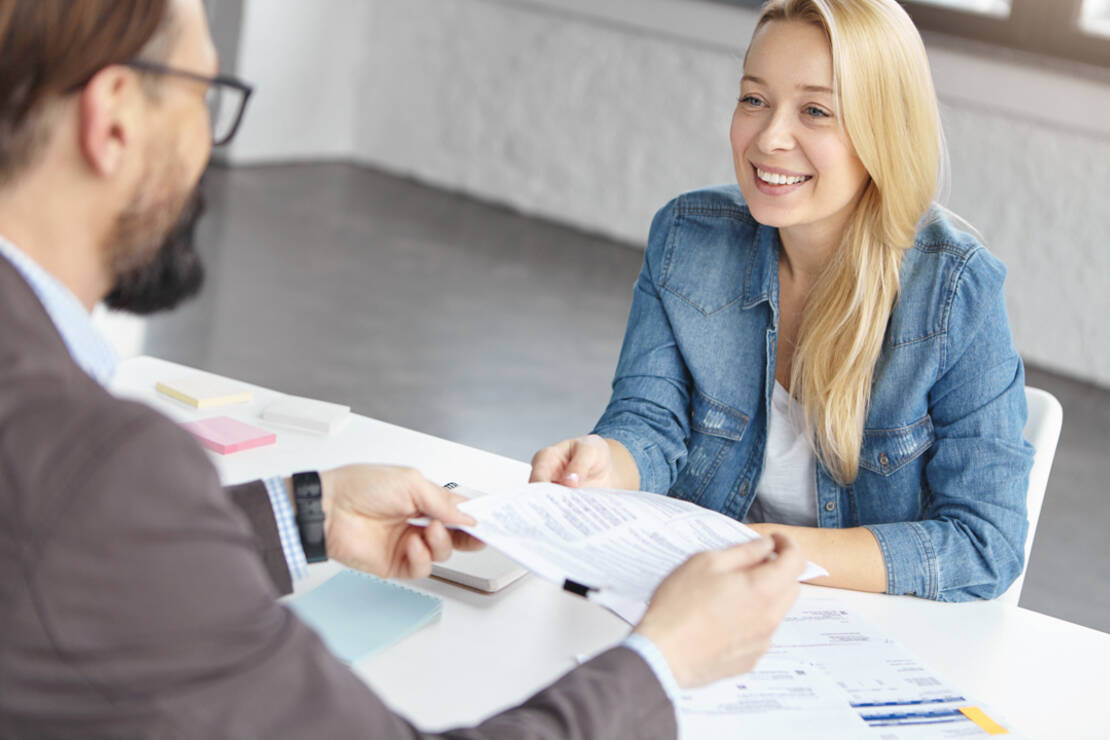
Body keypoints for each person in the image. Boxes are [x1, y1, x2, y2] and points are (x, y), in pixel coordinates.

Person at [0, 1, 807, 737]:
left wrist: (298, 514)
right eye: (201, 98)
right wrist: (664, 664)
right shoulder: (95, 463)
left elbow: (64, 560)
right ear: (112, 121)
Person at [531, 0, 1034, 602]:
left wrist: (764, 551)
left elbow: (984, 543)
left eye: (816, 110)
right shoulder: (687, 237)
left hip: (866, 636)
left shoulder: (956, 290)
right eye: (754, 99)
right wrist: (603, 464)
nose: (770, 137)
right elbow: (649, 423)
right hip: (705, 612)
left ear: (883, 131)